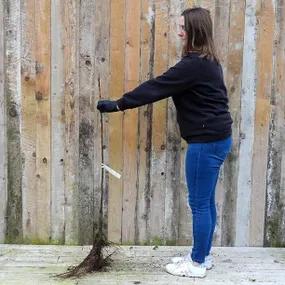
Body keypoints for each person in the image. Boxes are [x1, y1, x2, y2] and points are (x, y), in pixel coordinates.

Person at [97, 7, 233, 278]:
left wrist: (118, 105)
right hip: (218, 139)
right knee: (206, 202)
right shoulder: (208, 60)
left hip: (206, 143)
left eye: (183, 27)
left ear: (195, 30)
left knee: (199, 204)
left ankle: (196, 264)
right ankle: (203, 256)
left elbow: (157, 87)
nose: (179, 31)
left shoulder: (193, 65)